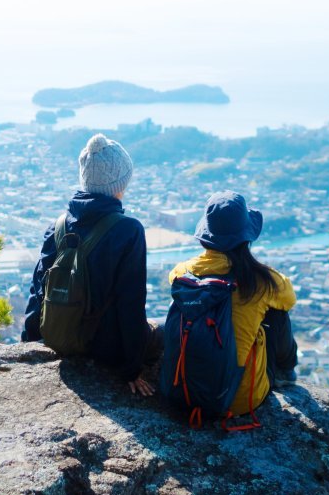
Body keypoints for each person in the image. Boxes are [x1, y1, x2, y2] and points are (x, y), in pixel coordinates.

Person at [21, 133, 158, 396]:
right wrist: (131, 369)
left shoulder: (58, 226)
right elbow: (131, 302)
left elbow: (39, 289)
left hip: (57, 338)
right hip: (104, 348)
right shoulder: (128, 231)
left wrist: (30, 344)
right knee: (164, 331)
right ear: (122, 181)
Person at [168, 191, 298, 417]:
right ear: (246, 237)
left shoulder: (182, 272)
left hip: (182, 393)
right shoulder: (265, 282)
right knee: (277, 314)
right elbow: (289, 300)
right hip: (238, 400)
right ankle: (285, 374)